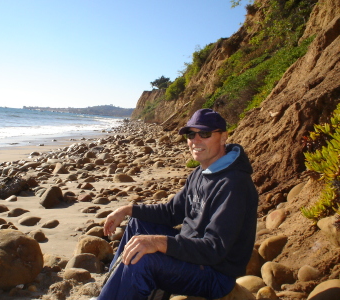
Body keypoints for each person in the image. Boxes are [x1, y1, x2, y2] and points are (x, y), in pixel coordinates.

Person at [96, 108, 258, 300]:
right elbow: (171, 212)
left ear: (223, 137)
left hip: (216, 274)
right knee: (137, 224)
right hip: (194, 256)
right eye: (191, 134)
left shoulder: (233, 184)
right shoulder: (200, 173)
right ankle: (115, 291)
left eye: (204, 134)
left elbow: (214, 249)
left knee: (144, 259)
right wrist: (127, 210)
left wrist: (157, 243)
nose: (195, 141)